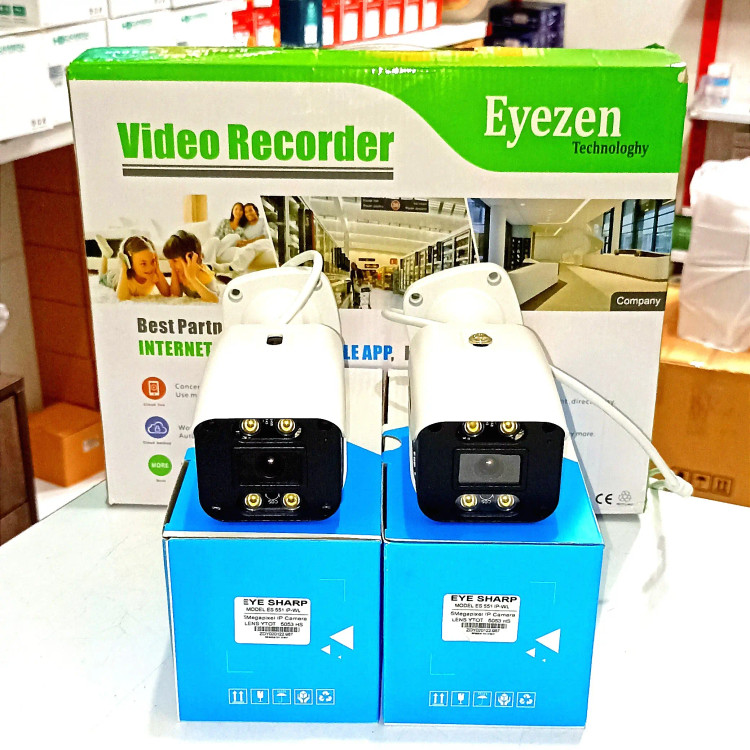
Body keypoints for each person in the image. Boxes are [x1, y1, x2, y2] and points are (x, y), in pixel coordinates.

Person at [96, 234, 170, 301]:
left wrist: (157, 268)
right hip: (112, 278)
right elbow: (122, 298)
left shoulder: (154, 275)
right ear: (129, 262)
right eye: (143, 264)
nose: (150, 268)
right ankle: (105, 255)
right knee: (102, 278)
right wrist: (124, 267)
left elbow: (167, 293)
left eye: (152, 261)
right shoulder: (128, 280)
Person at [162, 230, 219, 303]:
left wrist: (192, 278)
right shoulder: (179, 273)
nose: (171, 265)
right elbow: (175, 295)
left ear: (189, 257)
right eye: (169, 261)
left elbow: (215, 300)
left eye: (175, 261)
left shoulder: (203, 275)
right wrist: (174, 271)